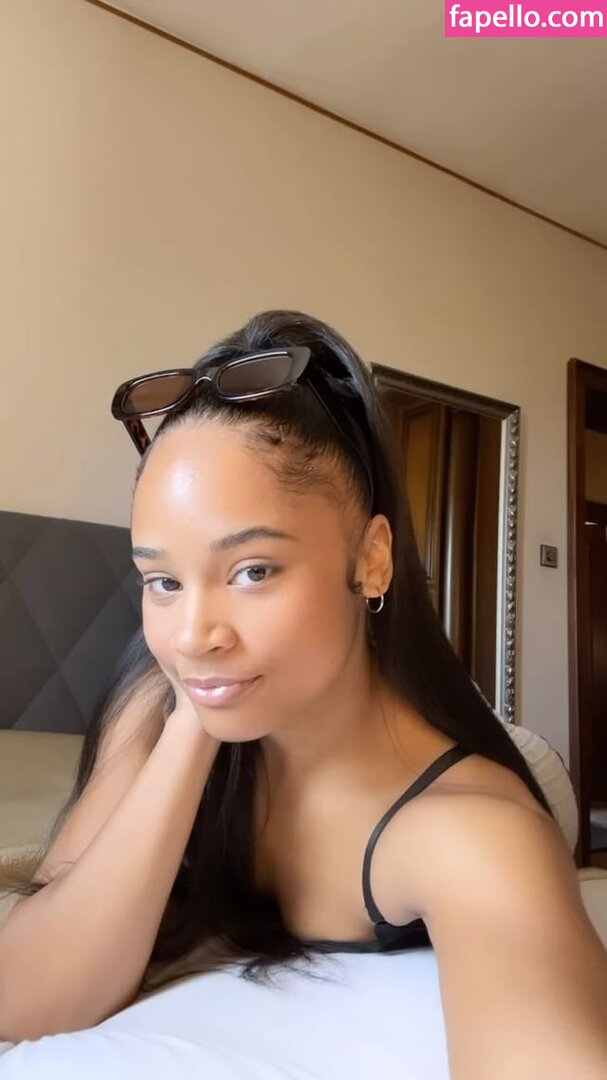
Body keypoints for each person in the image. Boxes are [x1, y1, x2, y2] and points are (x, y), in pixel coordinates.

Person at [0, 310, 605, 1076]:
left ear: (372, 560)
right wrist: (195, 717)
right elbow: (23, 997)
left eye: (252, 570)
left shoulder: (474, 834)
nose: (192, 633)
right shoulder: (156, 699)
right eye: (162, 581)